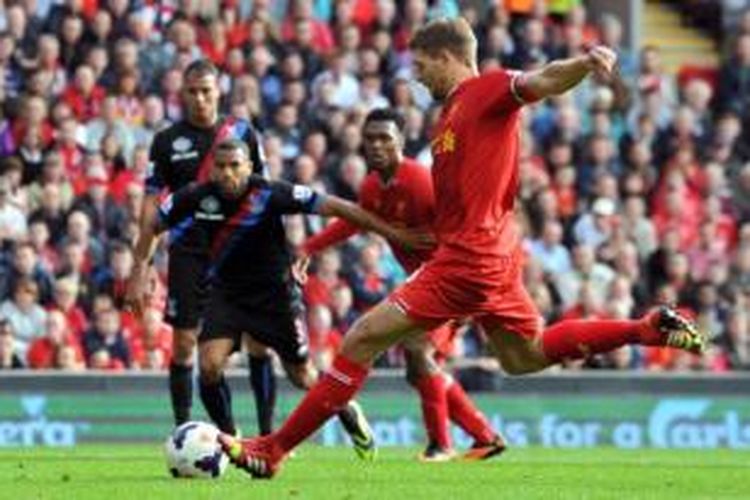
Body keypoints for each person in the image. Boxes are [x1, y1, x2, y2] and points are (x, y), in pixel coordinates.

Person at [219, 17, 707, 478]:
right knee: (524, 357)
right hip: (489, 254)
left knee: (361, 339)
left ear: (448, 56)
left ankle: (274, 449)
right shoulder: (451, 113)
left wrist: (583, 63)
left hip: (470, 257)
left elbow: (540, 81)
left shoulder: (486, 89)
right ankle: (645, 329)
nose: (416, 75)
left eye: (422, 65)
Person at [130, 138, 431, 460]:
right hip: (226, 295)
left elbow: (338, 207)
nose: (228, 173)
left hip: (275, 297)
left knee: (303, 377)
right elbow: (152, 225)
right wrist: (138, 272)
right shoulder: (194, 197)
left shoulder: (270, 193)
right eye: (221, 166)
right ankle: (232, 440)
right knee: (208, 365)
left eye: (235, 166)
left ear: (248, 167)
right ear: (211, 170)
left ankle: (346, 409)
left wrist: (393, 234)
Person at [298, 108, 502, 461]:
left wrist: (471, 286)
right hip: (426, 283)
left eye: (385, 139)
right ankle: (483, 436)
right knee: (416, 366)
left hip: (453, 278)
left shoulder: (421, 181)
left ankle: (442, 445)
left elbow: (465, 223)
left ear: (401, 143)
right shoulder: (373, 186)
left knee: (418, 352)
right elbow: (355, 222)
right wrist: (309, 248)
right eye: (370, 139)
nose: (377, 146)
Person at [126, 59, 271, 430]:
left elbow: (265, 195)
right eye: (192, 91)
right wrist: (140, 268)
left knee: (258, 340)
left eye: (206, 90)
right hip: (190, 251)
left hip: (241, 250)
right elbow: (151, 207)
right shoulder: (166, 141)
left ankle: (267, 434)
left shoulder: (243, 133)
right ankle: (183, 431)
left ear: (218, 91)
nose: (200, 98)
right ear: (182, 94)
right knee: (183, 343)